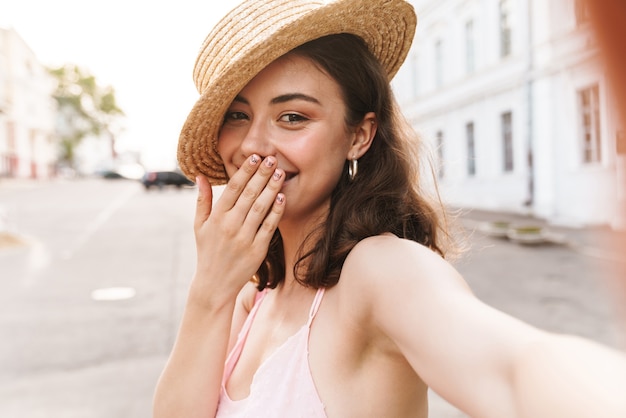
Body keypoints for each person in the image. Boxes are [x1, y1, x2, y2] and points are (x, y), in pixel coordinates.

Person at [153, 0, 626, 417]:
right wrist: (208, 290)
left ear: (358, 135)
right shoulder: (249, 296)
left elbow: (516, 368)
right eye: (238, 116)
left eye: (293, 116)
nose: (255, 144)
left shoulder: (379, 270)